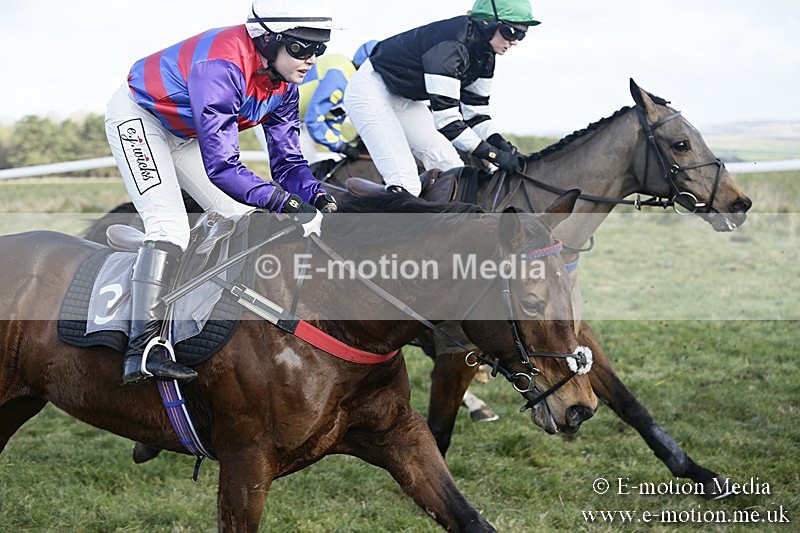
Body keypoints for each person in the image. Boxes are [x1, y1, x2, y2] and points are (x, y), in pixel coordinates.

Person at [104, 0, 337, 385]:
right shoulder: (222, 66)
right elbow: (223, 167)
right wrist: (283, 201)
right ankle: (142, 348)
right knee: (169, 225)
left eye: (319, 48)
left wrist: (319, 195)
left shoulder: (284, 85)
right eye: (301, 47)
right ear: (269, 40)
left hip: (184, 133)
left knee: (240, 217)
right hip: (140, 117)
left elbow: (288, 164)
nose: (311, 58)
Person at [344, 0, 537, 196]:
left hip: (406, 99)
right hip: (371, 91)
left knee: (451, 167)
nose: (515, 41)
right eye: (511, 32)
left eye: (522, 33)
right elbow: (448, 122)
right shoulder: (451, 45)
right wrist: (494, 154)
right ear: (487, 24)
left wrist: (501, 144)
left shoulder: (486, 55)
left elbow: (477, 115)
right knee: (405, 181)